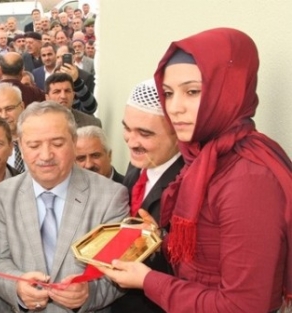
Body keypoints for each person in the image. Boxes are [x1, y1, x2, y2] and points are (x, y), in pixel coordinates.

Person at [99, 28, 292, 313]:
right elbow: (207, 260)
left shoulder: (248, 177)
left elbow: (245, 306)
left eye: (192, 91)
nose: (174, 108)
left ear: (229, 89)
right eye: (168, 93)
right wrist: (162, 240)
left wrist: (149, 281)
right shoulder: (204, 156)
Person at [0, 101, 128, 312]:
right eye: (34, 145)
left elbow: (119, 270)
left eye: (57, 143)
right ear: (21, 146)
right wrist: (17, 286)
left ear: (74, 141)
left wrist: (89, 293)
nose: (46, 155)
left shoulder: (111, 197)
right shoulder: (1, 196)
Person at [110, 78, 182, 313]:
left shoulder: (189, 183)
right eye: (127, 128)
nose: (131, 141)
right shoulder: (138, 166)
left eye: (144, 133)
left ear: (177, 134)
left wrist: (161, 241)